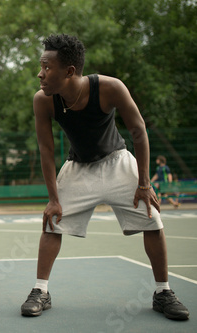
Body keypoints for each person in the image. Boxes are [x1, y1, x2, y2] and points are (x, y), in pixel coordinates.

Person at [20, 34, 189, 321]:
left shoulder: (110, 88)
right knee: (52, 221)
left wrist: (144, 184)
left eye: (47, 67)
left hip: (118, 163)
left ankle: (163, 292)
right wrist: (53, 198)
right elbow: (46, 152)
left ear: (69, 71)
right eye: (41, 66)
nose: (40, 73)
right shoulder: (44, 101)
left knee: (152, 219)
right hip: (78, 168)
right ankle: (41, 291)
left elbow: (139, 131)